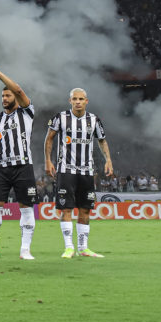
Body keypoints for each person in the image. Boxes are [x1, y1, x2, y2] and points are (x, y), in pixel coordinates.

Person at [44, 88, 114, 258]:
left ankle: (83, 248)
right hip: (65, 170)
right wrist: (48, 160)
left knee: (85, 209)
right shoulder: (60, 118)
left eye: (81, 99)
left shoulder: (94, 120)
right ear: (70, 101)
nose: (77, 102)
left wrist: (109, 160)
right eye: (74, 99)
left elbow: (102, 140)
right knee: (66, 209)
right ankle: (69, 247)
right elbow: (49, 138)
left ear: (86, 101)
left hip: (87, 171)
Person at [0, 62, 37, 260]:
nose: (4, 98)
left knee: (26, 208)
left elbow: (19, 89)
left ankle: (25, 249)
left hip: (23, 167)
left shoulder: (26, 113)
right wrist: (5, 152)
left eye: (8, 95)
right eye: (3, 96)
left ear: (16, 98)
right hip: (1, 168)